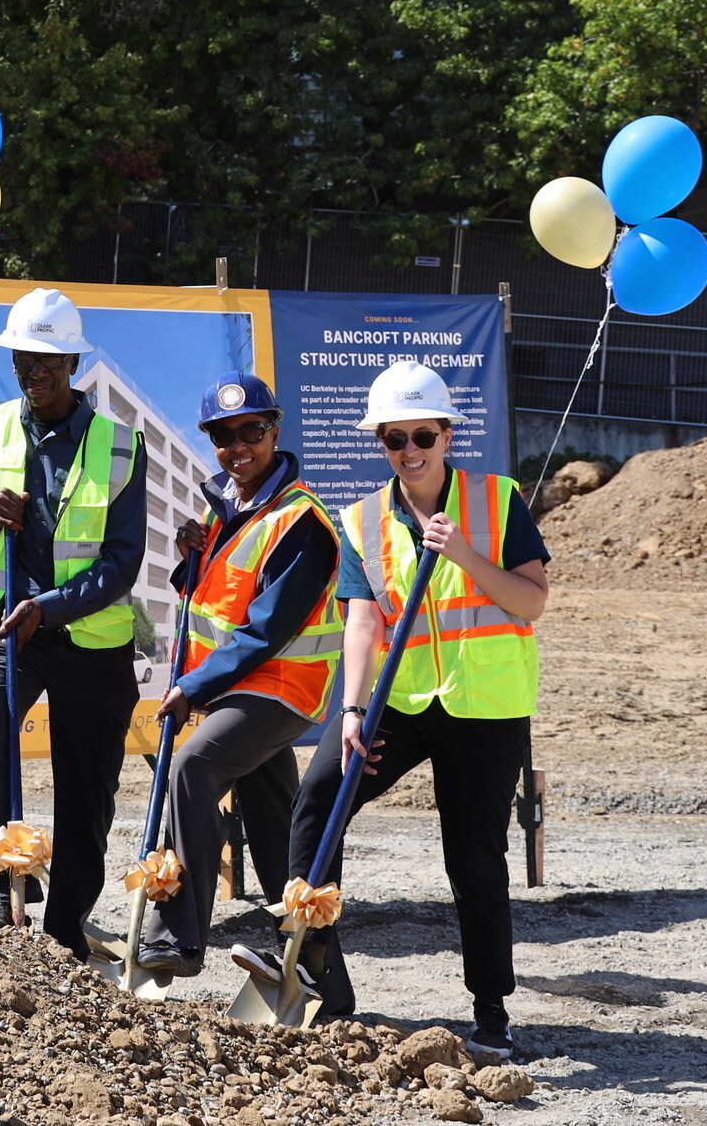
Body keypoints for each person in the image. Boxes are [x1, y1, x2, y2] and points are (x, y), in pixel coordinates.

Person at [270, 360, 548, 1062]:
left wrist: (463, 554)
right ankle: (315, 972)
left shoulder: (496, 500)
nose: (410, 450)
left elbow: (531, 601)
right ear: (381, 444)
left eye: (422, 434)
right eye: (394, 439)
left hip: (484, 705)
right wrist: (354, 710)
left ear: (448, 434)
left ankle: (491, 1012)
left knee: (474, 857)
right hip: (398, 701)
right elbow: (362, 622)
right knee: (318, 804)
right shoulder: (362, 518)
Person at [0, 286, 146, 958]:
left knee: (85, 787)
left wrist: (50, 608)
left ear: (73, 364)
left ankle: (64, 929)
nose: (36, 374)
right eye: (24, 361)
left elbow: (120, 564)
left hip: (87, 640)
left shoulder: (120, 445)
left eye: (49, 362)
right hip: (8, 630)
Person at [136, 372, 339, 979]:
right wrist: (189, 556)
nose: (238, 445)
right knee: (281, 831)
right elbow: (212, 600)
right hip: (239, 688)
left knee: (191, 767)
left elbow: (265, 629)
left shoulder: (301, 520)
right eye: (223, 435)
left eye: (251, 430)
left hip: (280, 690)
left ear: (274, 431)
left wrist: (192, 687)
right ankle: (326, 984)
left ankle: (175, 938)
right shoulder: (225, 508)